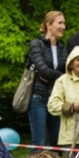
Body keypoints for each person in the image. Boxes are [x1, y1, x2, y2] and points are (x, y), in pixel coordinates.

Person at [26, 11, 68, 149]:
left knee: (57, 144)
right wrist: (60, 76)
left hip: (56, 99)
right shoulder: (36, 44)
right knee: (39, 144)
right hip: (39, 98)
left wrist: (52, 75)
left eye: (64, 23)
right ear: (48, 25)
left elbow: (66, 73)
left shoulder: (63, 48)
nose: (63, 26)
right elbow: (43, 70)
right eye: (60, 23)